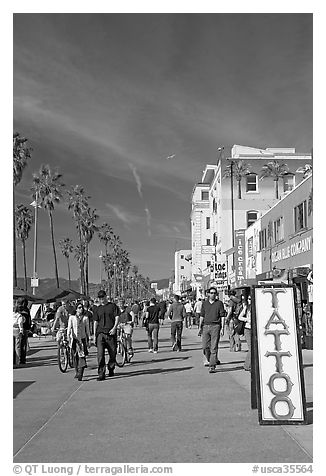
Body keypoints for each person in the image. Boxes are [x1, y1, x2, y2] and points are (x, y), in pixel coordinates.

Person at [92, 290, 120, 381]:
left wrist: (114, 328)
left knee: (113, 353)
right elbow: (95, 322)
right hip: (100, 334)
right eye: (100, 298)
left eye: (103, 297)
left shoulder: (112, 306)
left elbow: (117, 317)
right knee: (100, 355)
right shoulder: (97, 309)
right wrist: (94, 335)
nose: (101, 299)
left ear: (106, 296)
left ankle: (111, 368)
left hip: (111, 333)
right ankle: (101, 373)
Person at [199, 287, 226, 373]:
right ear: (208, 294)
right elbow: (202, 315)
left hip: (215, 326)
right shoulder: (205, 303)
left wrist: (222, 328)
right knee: (205, 347)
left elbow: (222, 316)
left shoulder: (219, 303)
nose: (213, 294)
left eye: (214, 293)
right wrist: (200, 327)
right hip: (206, 326)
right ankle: (212, 359)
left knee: (213, 347)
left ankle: (212, 365)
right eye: (211, 293)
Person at [67, 302, 90, 381]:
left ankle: (81, 372)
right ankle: (77, 370)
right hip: (74, 339)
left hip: (82, 339)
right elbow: (69, 327)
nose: (81, 309)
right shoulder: (72, 318)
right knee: (75, 355)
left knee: (82, 355)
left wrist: (89, 339)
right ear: (76, 309)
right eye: (79, 307)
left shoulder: (85, 318)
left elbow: (87, 330)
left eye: (82, 307)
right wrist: (68, 336)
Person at [238, 295, 252, 371]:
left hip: (255, 329)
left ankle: (249, 364)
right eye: (249, 298)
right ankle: (247, 365)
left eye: (251, 298)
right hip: (248, 329)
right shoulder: (247, 307)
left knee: (254, 348)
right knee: (251, 348)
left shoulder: (258, 306)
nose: (250, 300)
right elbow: (239, 317)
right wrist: (247, 319)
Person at [18, 297, 32, 364]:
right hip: (24, 328)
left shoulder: (18, 309)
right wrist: (29, 327)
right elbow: (29, 320)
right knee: (23, 344)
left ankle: (20, 358)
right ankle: (22, 359)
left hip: (20, 328)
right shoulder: (26, 310)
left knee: (19, 344)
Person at [13, 301, 25, 366]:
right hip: (16, 330)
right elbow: (20, 324)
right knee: (17, 347)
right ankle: (17, 361)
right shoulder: (19, 315)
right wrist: (21, 331)